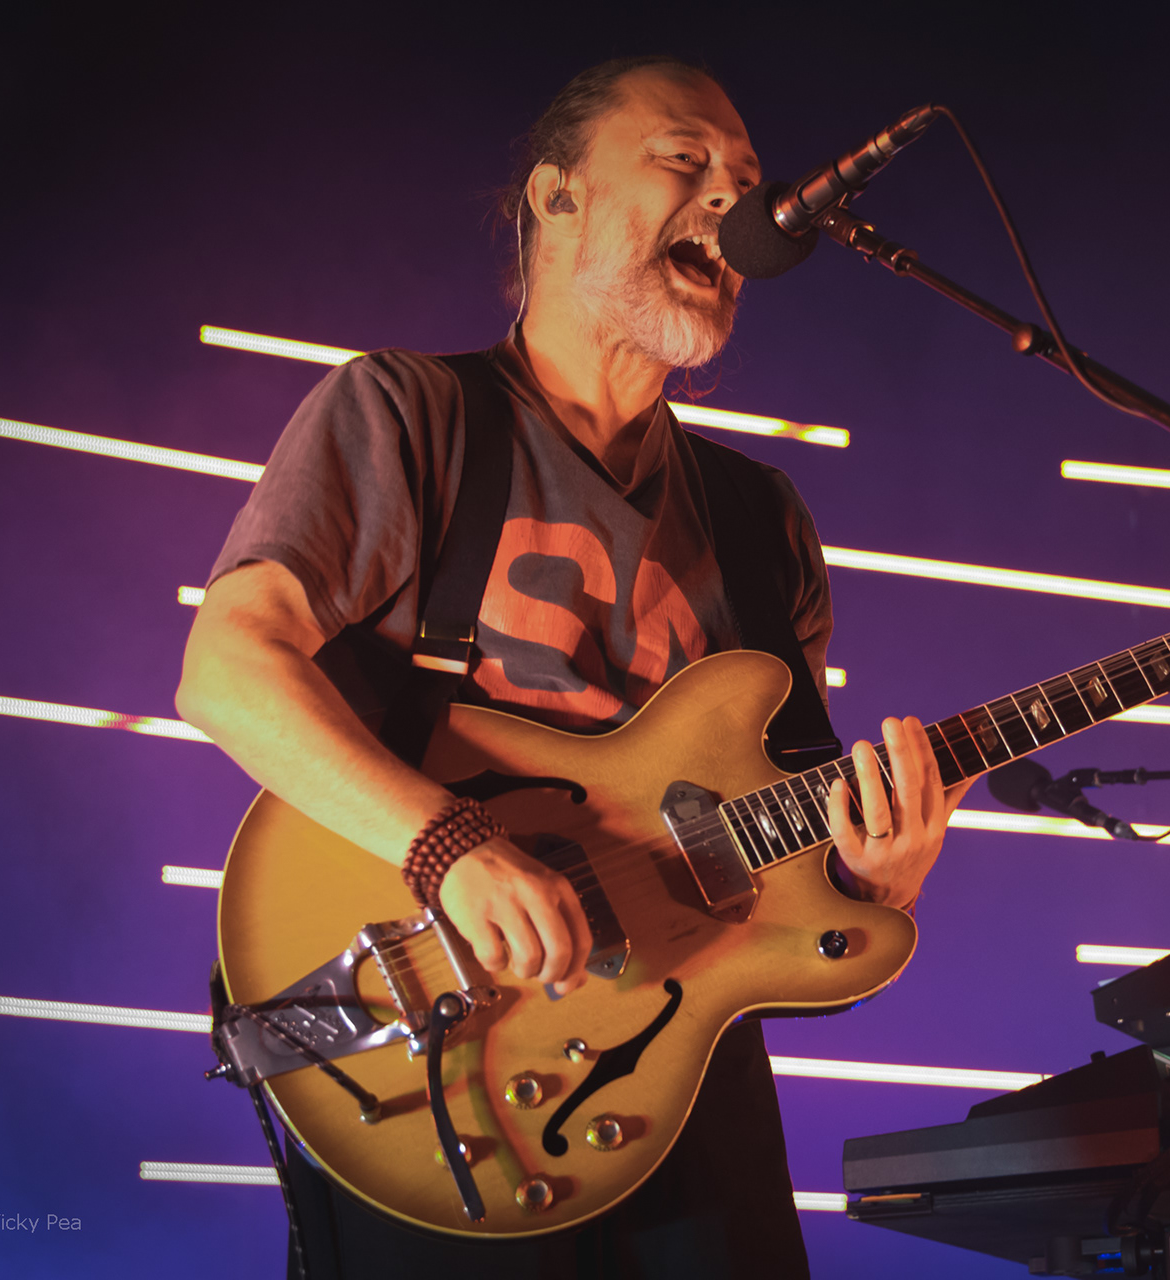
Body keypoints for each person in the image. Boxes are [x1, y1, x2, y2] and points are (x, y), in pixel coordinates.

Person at [176, 55, 972, 1279]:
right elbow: (227, 668)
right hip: (431, 1038)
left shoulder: (761, 519)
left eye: (747, 176)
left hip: (671, 1067)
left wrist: (875, 881)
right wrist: (450, 845)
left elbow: (774, 867)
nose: (734, 197)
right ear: (556, 197)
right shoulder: (408, 412)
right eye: (685, 160)